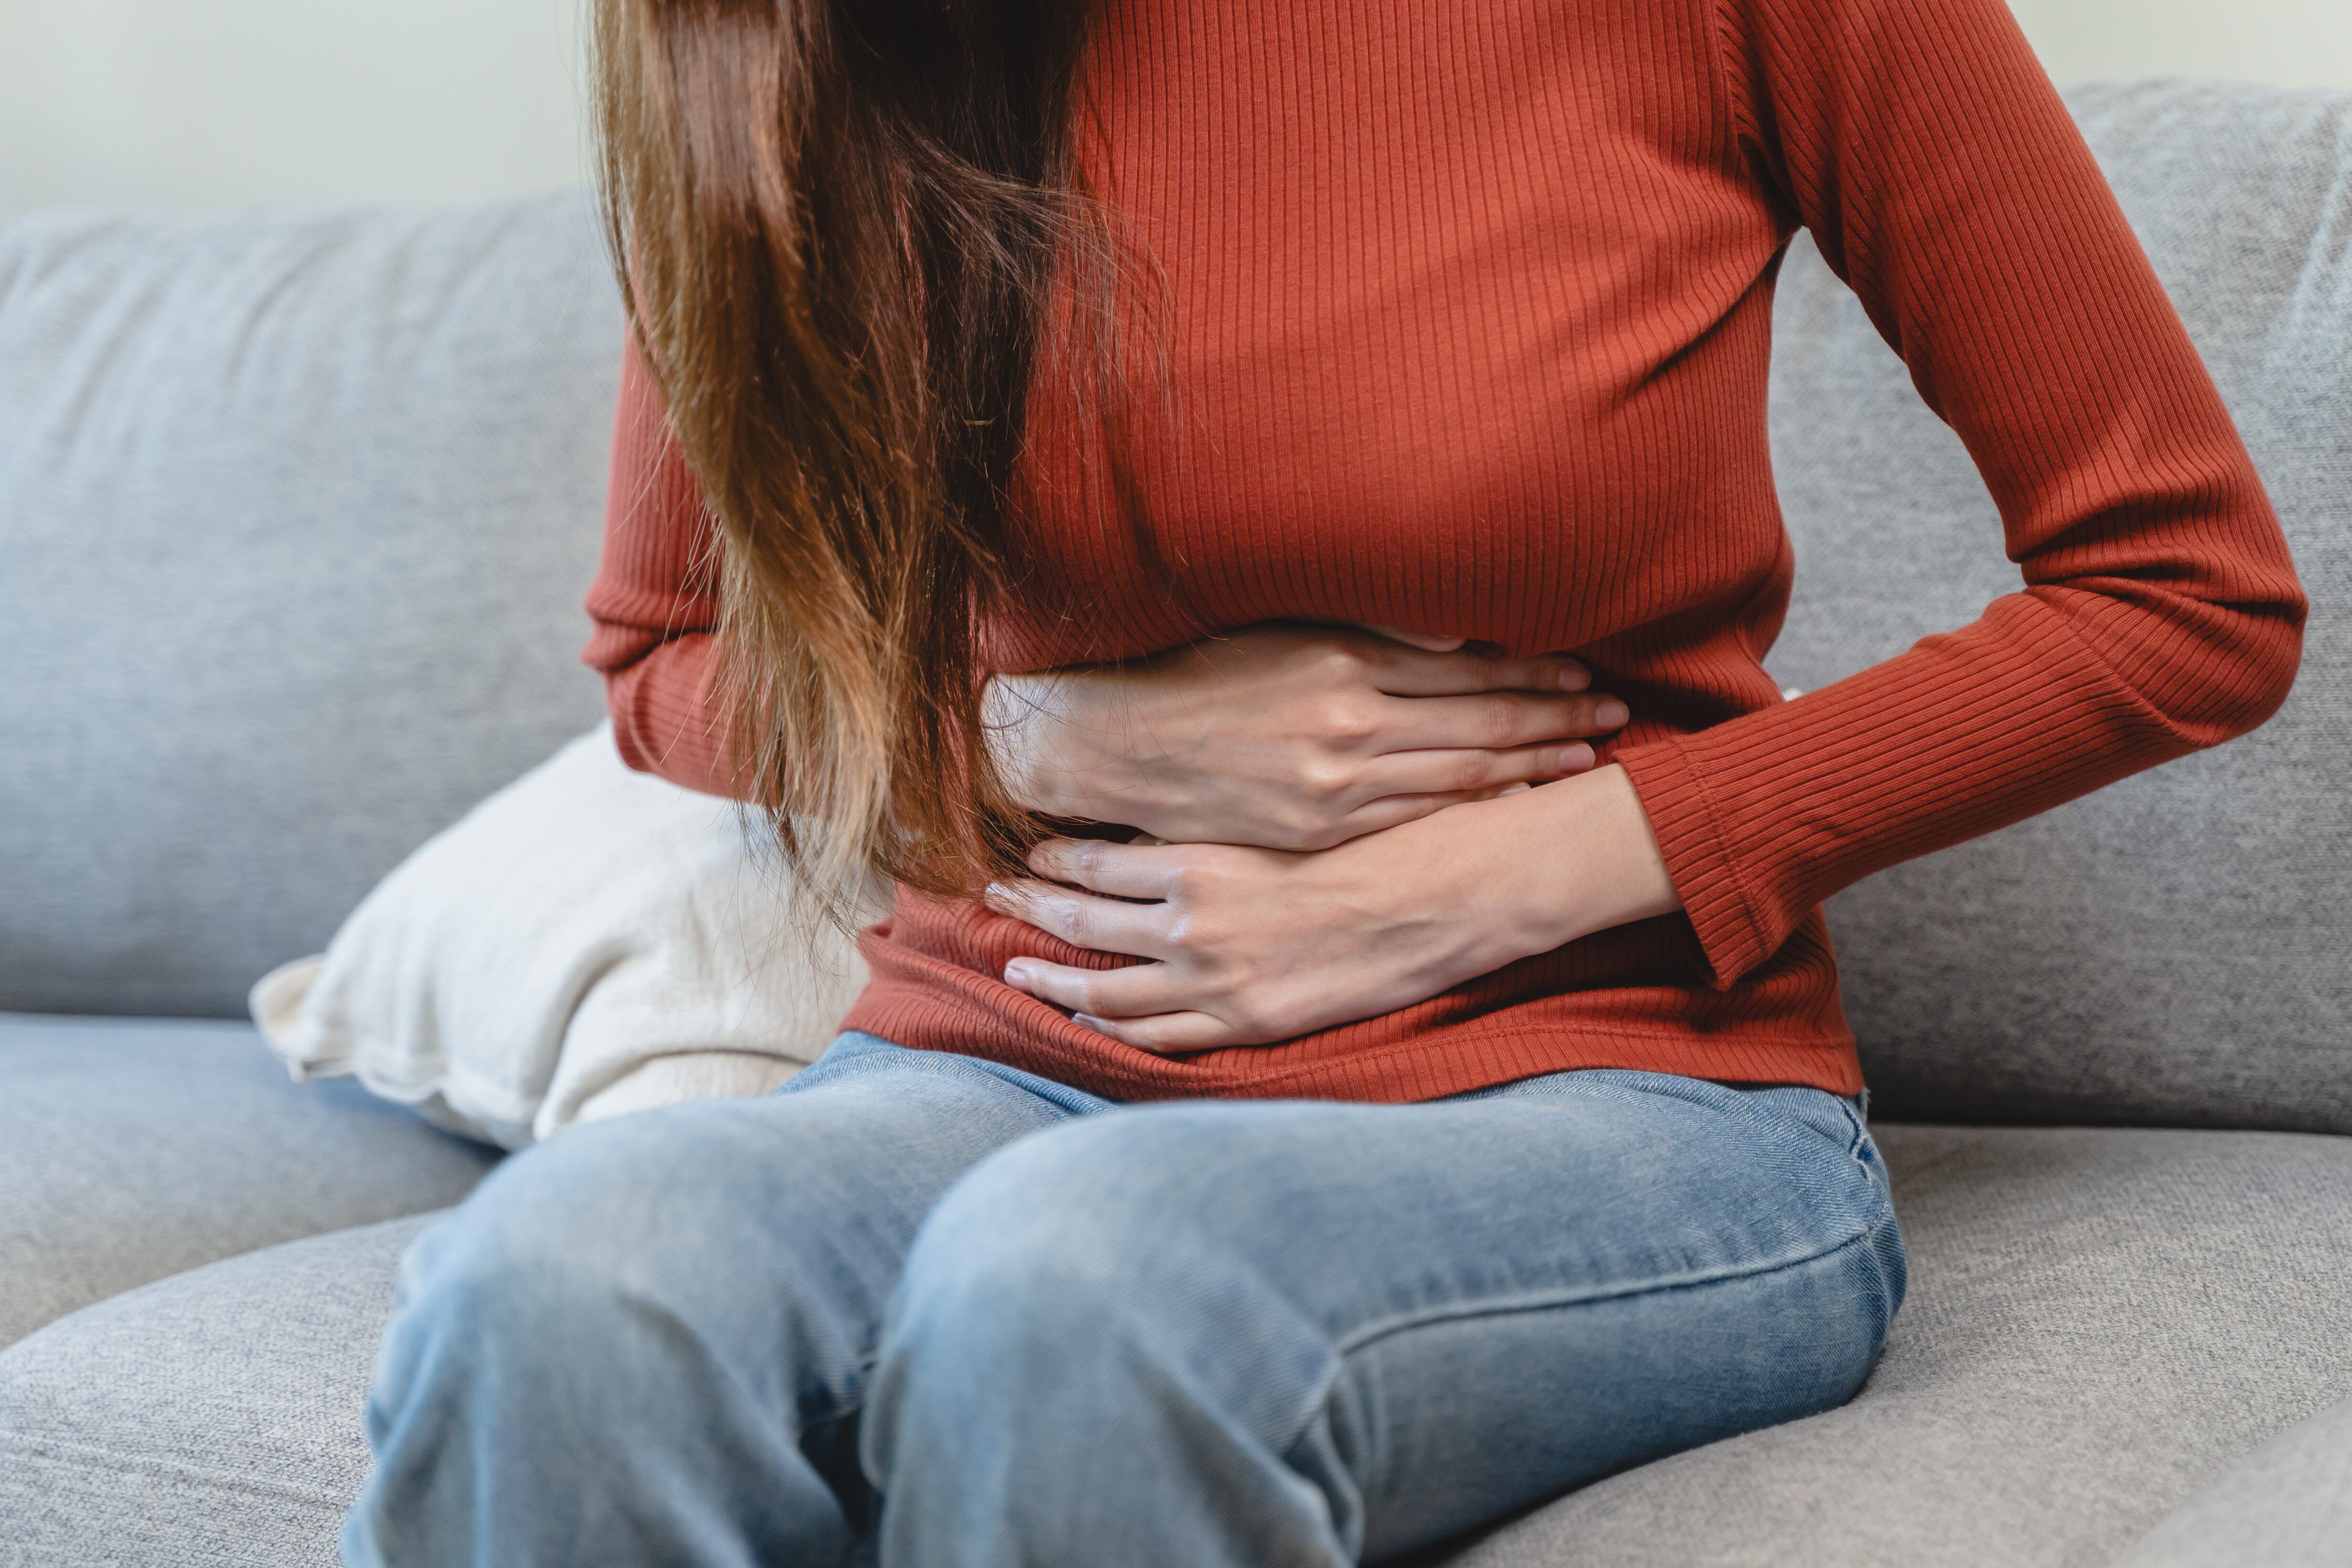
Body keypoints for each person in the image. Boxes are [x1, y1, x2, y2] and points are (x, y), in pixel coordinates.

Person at [341, 0, 2305, 1561]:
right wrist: (1056, 732)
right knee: (563, 1282)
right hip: (989, 1063)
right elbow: (665, 655)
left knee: (1089, 1286)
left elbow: (2182, 595)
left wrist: (1473, 883)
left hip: (1609, 1084)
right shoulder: (804, 40)